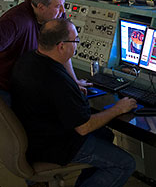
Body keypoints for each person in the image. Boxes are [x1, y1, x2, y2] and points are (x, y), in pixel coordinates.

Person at [0, 0, 91, 187]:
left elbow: (64, 46)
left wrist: (73, 80)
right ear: (40, 7)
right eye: (57, 6)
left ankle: (35, 181)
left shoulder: (53, 16)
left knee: (28, 130)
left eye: (63, 5)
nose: (63, 11)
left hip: (19, 81)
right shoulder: (18, 21)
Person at [11, 18, 137, 187]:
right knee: (125, 164)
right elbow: (84, 127)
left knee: (105, 135)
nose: (77, 45)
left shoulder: (27, 60)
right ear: (61, 46)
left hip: (34, 137)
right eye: (75, 40)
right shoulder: (56, 80)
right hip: (55, 145)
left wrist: (73, 87)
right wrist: (117, 108)